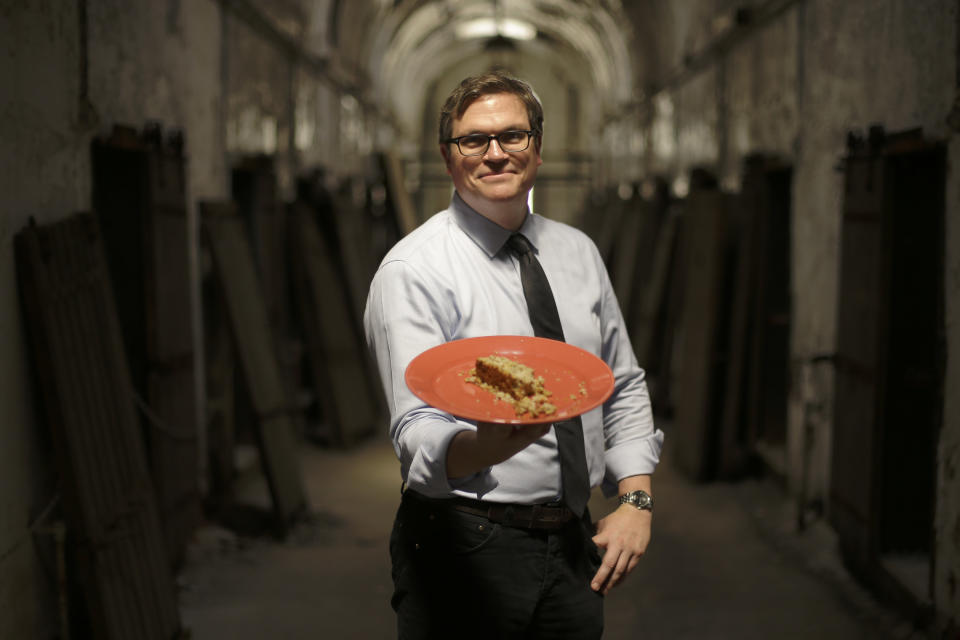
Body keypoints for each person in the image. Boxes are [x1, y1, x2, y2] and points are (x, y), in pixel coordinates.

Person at [363, 70, 664, 639]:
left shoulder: (578, 252)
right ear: (449, 157)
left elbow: (620, 384)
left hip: (574, 542)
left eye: (513, 136)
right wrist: (482, 447)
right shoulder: (414, 270)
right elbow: (416, 428)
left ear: (538, 148)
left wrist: (636, 500)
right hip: (465, 541)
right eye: (474, 139)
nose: (495, 153)